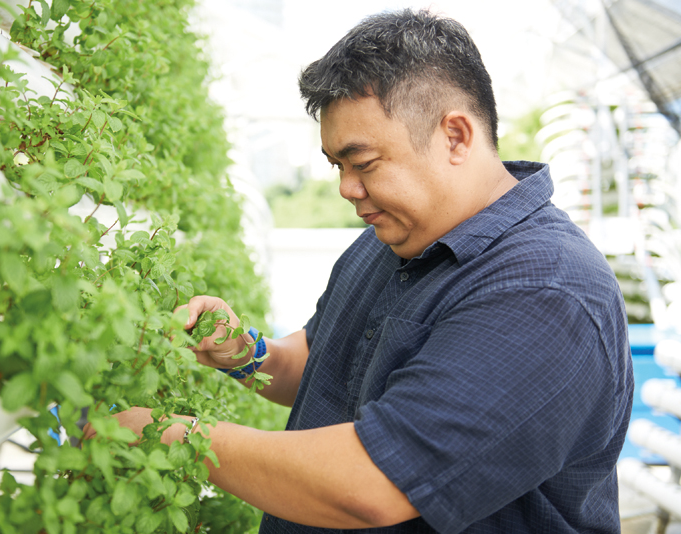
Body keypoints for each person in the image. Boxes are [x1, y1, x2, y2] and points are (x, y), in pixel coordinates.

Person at [86, 8, 634, 533]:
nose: (347, 189)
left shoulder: (546, 290)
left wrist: (166, 436)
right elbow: (324, 366)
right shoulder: (389, 237)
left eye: (364, 163)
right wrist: (248, 354)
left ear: (456, 136)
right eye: (338, 167)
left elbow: (372, 481)